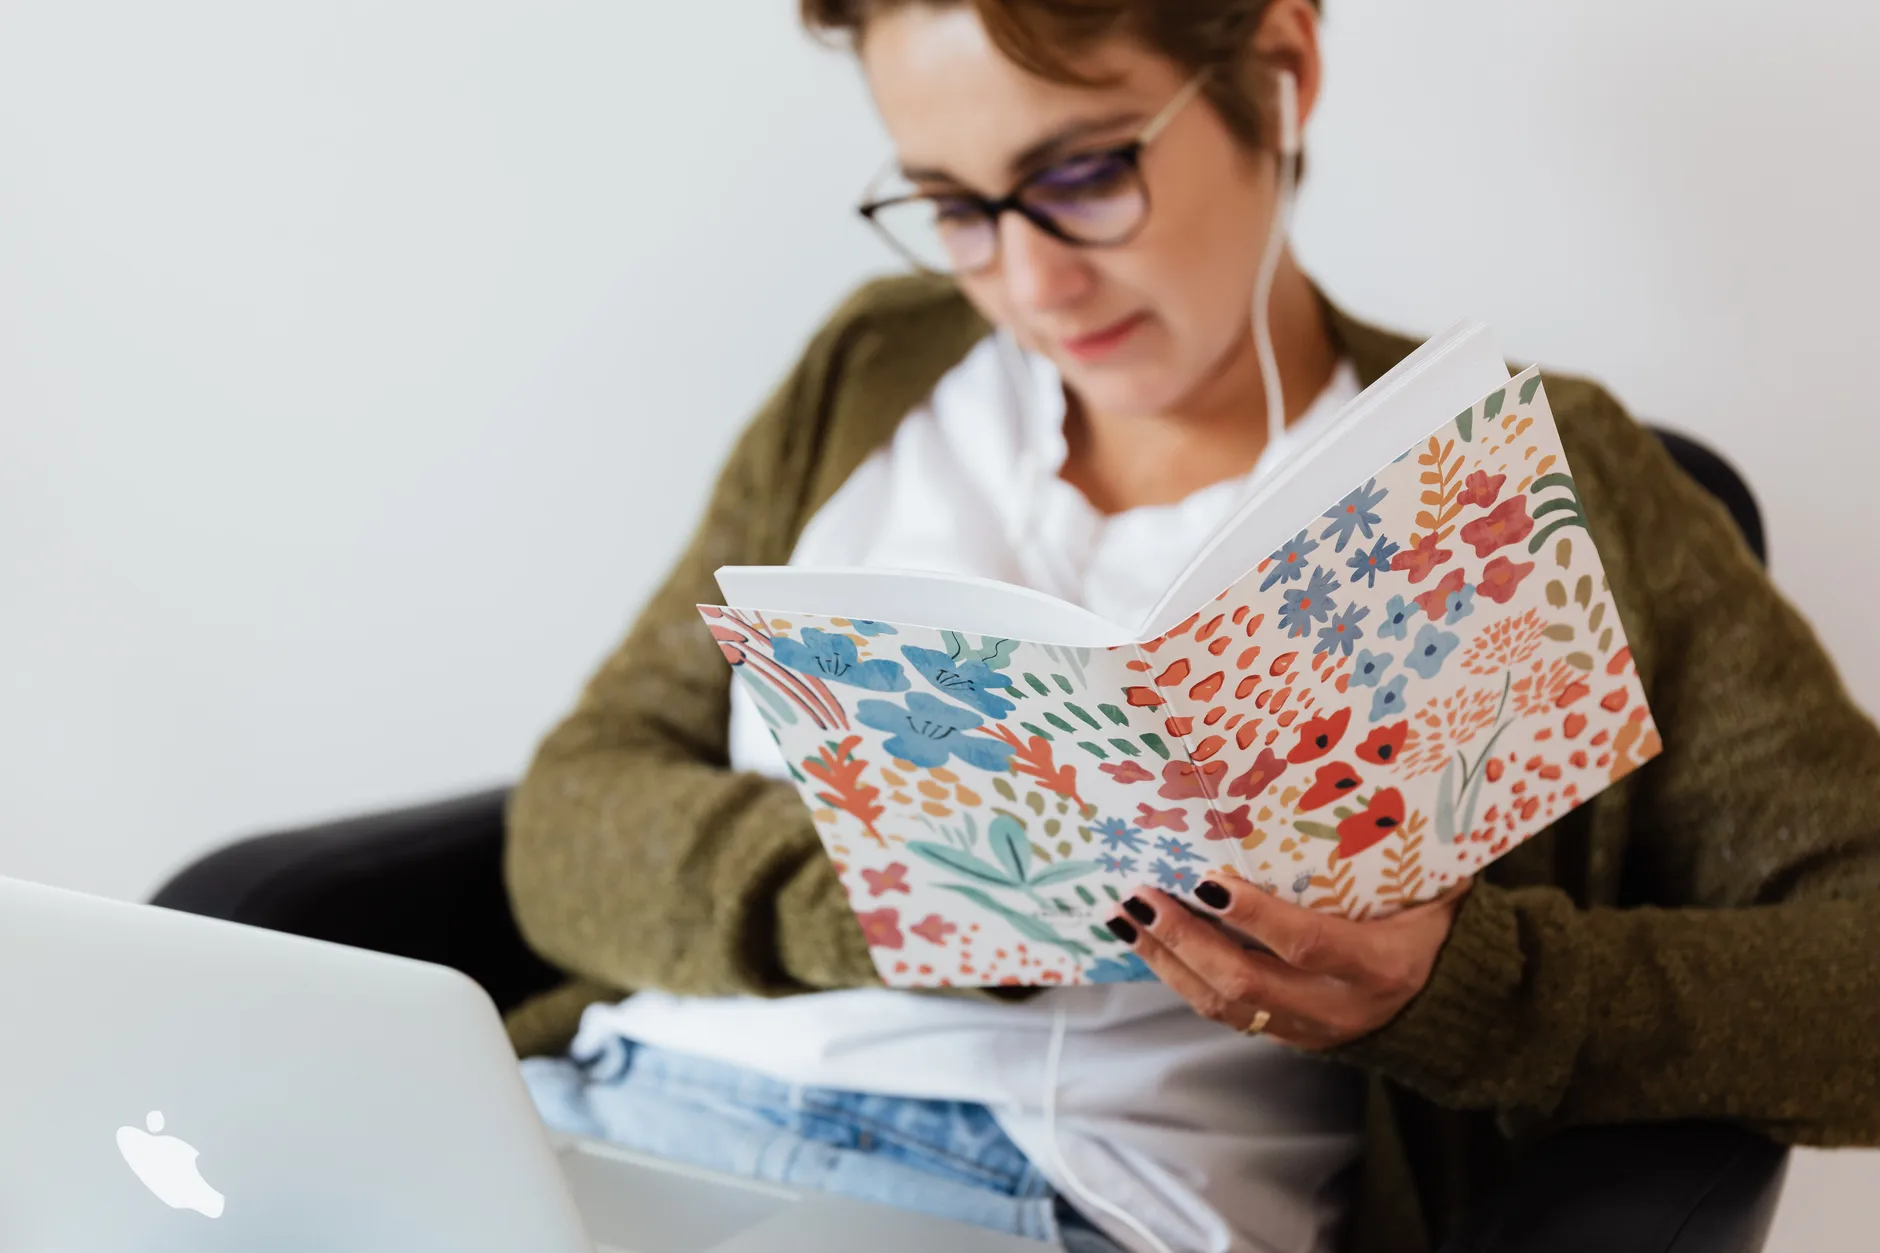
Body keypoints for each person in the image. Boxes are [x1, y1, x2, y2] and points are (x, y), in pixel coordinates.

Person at [502, 2, 1880, 1251]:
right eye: (956, 206)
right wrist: (933, 889)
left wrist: (1468, 990)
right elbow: (568, 819)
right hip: (607, 1111)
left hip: (1064, 1201)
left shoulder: (1520, 481)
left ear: (1280, 67)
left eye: (1082, 177)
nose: (1031, 285)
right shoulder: (874, 370)